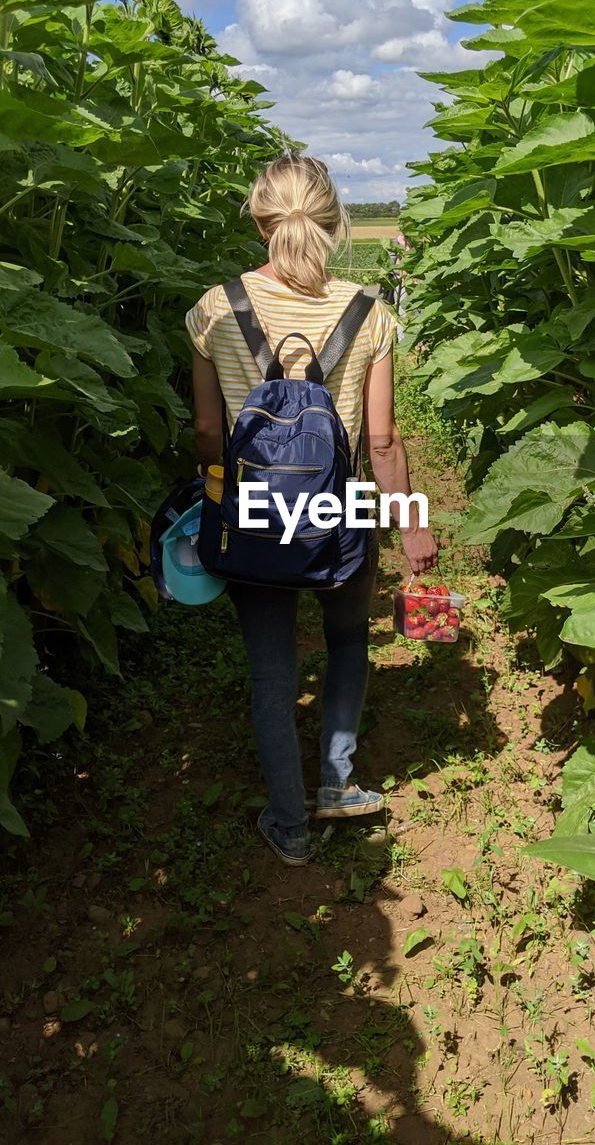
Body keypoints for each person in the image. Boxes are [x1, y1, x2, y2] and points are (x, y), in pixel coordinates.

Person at [185, 152, 438, 866]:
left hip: (253, 511)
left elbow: (209, 434)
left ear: (260, 217)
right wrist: (412, 524)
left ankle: (289, 824)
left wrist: (213, 495)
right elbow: (382, 441)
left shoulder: (214, 308)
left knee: (271, 670)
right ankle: (335, 781)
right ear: (333, 219)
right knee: (348, 641)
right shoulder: (370, 311)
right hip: (344, 514)